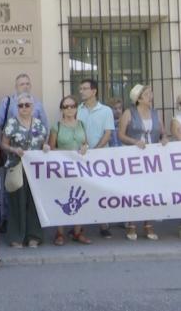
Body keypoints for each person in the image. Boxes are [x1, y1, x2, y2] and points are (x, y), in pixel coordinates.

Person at [118, 84, 168, 241]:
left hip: (152, 159)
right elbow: (120, 135)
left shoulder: (155, 113)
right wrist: (134, 141)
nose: (150, 96)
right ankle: (132, 224)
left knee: (150, 191)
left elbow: (162, 132)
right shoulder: (129, 113)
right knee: (134, 191)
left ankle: (148, 224)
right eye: (147, 94)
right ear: (138, 99)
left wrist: (164, 138)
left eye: (150, 93)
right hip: (133, 158)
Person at [0, 92, 48, 249]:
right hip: (16, 167)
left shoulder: (39, 124)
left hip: (35, 170)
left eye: (27, 105)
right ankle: (16, 237)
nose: (24, 108)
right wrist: (14, 150)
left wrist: (46, 147)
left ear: (33, 107)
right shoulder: (11, 123)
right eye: (21, 105)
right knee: (16, 202)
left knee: (33, 202)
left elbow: (43, 144)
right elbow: (3, 144)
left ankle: (33, 236)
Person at [75, 78, 116, 238]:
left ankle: (103, 224)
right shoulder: (77, 109)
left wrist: (96, 151)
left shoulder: (105, 111)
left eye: (85, 88)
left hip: (101, 157)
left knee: (100, 190)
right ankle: (79, 226)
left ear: (94, 91)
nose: (82, 91)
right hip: (81, 156)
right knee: (82, 189)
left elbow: (108, 133)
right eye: (81, 89)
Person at [49, 95, 91, 246]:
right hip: (63, 169)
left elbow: (85, 142)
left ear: (76, 108)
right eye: (66, 106)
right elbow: (52, 148)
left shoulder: (82, 124)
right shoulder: (56, 127)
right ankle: (60, 232)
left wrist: (85, 147)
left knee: (79, 198)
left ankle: (77, 231)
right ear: (62, 109)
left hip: (80, 169)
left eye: (72, 106)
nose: (69, 109)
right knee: (63, 198)